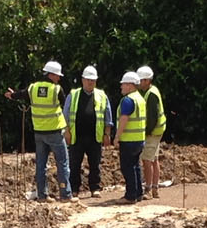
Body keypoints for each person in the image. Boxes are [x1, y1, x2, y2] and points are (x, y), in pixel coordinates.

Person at [4, 61, 71, 201]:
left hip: (39, 132)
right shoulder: (56, 89)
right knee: (62, 162)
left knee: (41, 165)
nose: (59, 78)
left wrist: (12, 95)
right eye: (57, 75)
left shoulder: (32, 88)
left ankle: (42, 195)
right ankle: (65, 194)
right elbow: (64, 105)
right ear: (51, 75)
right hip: (55, 132)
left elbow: (20, 94)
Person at [66, 66, 110, 198]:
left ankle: (94, 188)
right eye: (88, 80)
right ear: (82, 80)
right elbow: (66, 114)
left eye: (93, 80)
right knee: (74, 164)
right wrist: (66, 132)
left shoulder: (101, 95)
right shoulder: (73, 95)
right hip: (77, 136)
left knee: (95, 164)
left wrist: (107, 133)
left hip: (94, 136)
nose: (90, 82)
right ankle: (74, 189)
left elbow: (108, 116)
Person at [114, 71, 147, 202]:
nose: (121, 87)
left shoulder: (128, 100)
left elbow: (124, 119)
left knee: (127, 167)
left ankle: (130, 195)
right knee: (135, 166)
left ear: (130, 85)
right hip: (139, 139)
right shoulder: (140, 98)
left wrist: (117, 136)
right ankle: (138, 193)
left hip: (129, 140)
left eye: (123, 84)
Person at [137, 65, 168, 199]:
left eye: (141, 80)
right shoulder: (152, 92)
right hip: (157, 131)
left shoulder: (151, 95)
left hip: (152, 132)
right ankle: (155, 189)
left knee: (146, 160)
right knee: (154, 160)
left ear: (147, 80)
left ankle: (148, 189)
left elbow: (152, 117)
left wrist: (146, 132)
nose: (139, 83)